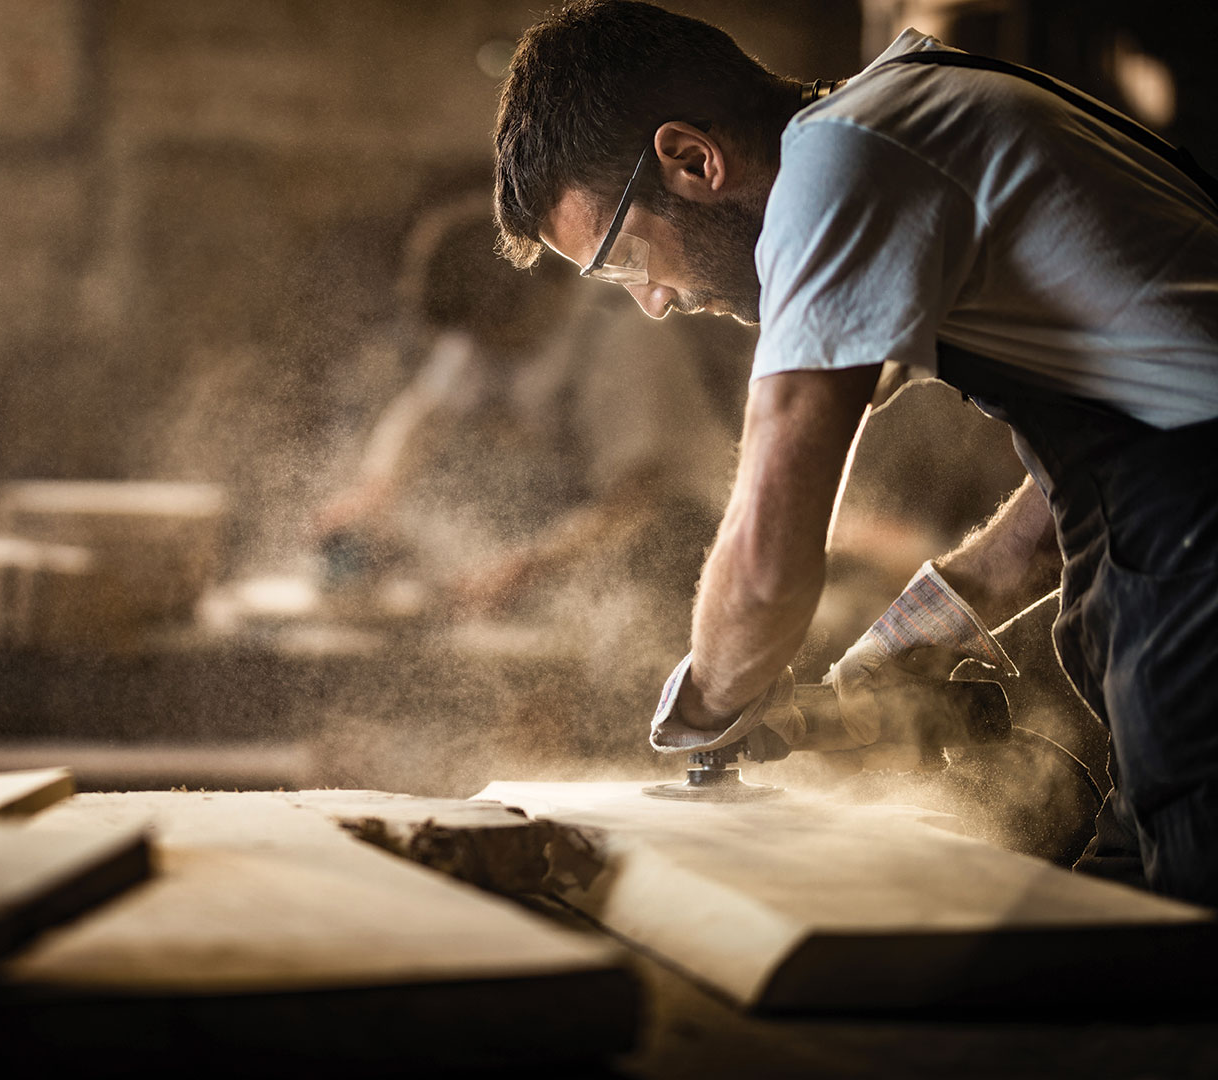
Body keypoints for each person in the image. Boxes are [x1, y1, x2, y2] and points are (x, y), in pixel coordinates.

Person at [492, 0, 1218, 903]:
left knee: (1177, 951)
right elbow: (1121, 452)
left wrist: (708, 709)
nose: (654, 302)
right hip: (1184, 534)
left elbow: (766, 565)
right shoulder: (907, 116)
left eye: (624, 259)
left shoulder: (839, 162)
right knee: (1139, 915)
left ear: (692, 160)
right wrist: (937, 620)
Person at [314, 191, 737, 683]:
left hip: (687, 538)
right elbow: (424, 414)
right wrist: (375, 490)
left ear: (533, 299)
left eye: (492, 337)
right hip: (589, 536)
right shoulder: (491, 326)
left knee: (636, 672)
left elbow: (638, 500)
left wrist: (526, 567)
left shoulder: (625, 337)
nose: (479, 354)